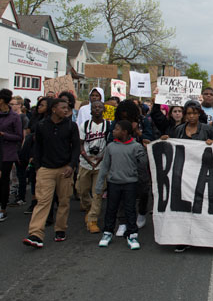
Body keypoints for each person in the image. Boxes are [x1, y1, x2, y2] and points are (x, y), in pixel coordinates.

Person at [22, 98, 79, 248]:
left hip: (65, 169)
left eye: (67, 108)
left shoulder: (71, 126)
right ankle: (35, 234)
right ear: (54, 109)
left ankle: (60, 229)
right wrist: (39, 167)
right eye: (63, 107)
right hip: (46, 170)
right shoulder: (41, 126)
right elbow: (38, 147)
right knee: (43, 202)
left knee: (64, 201)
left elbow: (76, 148)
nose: (66, 110)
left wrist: (71, 165)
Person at [96, 120, 148, 250]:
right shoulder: (110, 147)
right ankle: (107, 232)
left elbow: (143, 165)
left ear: (124, 132)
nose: (113, 131)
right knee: (111, 209)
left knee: (130, 209)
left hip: (131, 183)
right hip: (114, 183)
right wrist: (99, 184)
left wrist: (143, 182)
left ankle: (132, 234)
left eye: (117, 129)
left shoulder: (136, 147)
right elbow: (104, 167)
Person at [77, 101, 109, 234]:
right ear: (90, 110)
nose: (97, 109)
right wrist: (87, 158)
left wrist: (101, 159)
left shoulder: (108, 125)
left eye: (99, 107)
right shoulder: (84, 125)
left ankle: (92, 220)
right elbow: (80, 144)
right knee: (81, 190)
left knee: (98, 192)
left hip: (101, 164)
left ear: (103, 110)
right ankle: (89, 208)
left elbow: (109, 144)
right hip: (85, 163)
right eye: (94, 107)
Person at [0, 89, 23, 221]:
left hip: (7, 153)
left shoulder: (14, 117)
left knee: (3, 180)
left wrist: (4, 135)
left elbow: (19, 136)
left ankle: (3, 208)